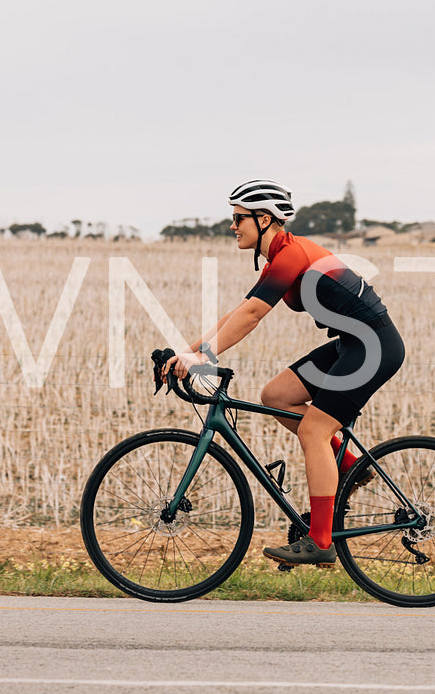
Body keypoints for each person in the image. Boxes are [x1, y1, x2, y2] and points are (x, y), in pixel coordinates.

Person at [165, 179, 406, 566]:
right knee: (276, 397)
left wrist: (204, 357)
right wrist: (188, 353)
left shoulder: (291, 254)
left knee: (314, 430)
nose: (233, 226)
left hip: (373, 347)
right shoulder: (281, 255)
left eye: (238, 218)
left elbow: (253, 316)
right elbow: (238, 311)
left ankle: (321, 542)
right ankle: (349, 466)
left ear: (264, 219)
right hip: (353, 343)